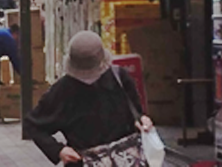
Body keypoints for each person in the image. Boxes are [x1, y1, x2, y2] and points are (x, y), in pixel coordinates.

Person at [25, 31, 157, 166]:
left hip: (128, 159)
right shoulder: (62, 90)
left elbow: (136, 112)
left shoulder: (119, 77)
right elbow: (33, 125)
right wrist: (59, 150)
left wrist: (141, 120)